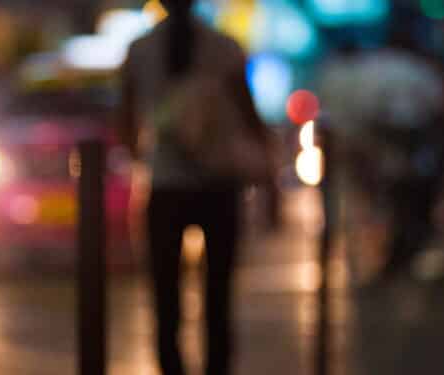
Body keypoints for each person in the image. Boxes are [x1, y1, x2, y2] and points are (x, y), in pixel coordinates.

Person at [119, 1, 267, 373]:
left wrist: (144, 156)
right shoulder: (224, 47)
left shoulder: (140, 49)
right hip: (219, 185)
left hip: (165, 185)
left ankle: (172, 368)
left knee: (164, 298)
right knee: (218, 297)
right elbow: (249, 115)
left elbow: (125, 118)